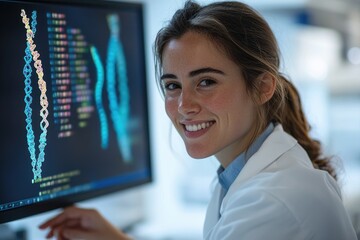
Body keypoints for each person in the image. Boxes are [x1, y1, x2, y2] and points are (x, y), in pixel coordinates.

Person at [39, 1, 357, 239]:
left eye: (205, 82)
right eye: (172, 86)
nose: (183, 106)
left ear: (262, 87)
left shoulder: (272, 201)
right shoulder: (246, 174)